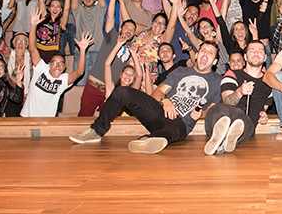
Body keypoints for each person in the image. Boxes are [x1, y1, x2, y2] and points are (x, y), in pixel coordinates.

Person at [69, 40, 222, 153]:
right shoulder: (180, 72)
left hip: (181, 123)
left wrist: (201, 113)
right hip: (158, 112)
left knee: (175, 132)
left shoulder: (217, 81)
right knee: (121, 92)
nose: (205, 54)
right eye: (203, 50)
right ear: (197, 55)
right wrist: (165, 100)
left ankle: (149, 139)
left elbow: (212, 109)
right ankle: (96, 131)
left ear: (214, 61)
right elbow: (157, 93)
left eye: (210, 53)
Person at [203, 39, 273, 155]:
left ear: (265, 57)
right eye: (251, 51)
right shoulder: (232, 74)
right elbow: (227, 101)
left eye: (260, 51)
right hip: (224, 114)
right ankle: (223, 138)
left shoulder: (268, 82)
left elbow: (264, 108)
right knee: (218, 110)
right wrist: (239, 92)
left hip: (246, 124)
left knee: (242, 122)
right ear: (245, 57)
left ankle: (226, 139)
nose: (256, 53)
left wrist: (264, 114)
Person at [21, 4, 91, 118]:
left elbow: (79, 72)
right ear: (49, 64)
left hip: (47, 121)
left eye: (61, 64)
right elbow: (32, 48)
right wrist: (33, 26)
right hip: (27, 117)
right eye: (54, 63)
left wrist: (82, 50)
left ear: (64, 68)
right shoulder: (41, 68)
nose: (57, 66)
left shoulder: (63, 80)